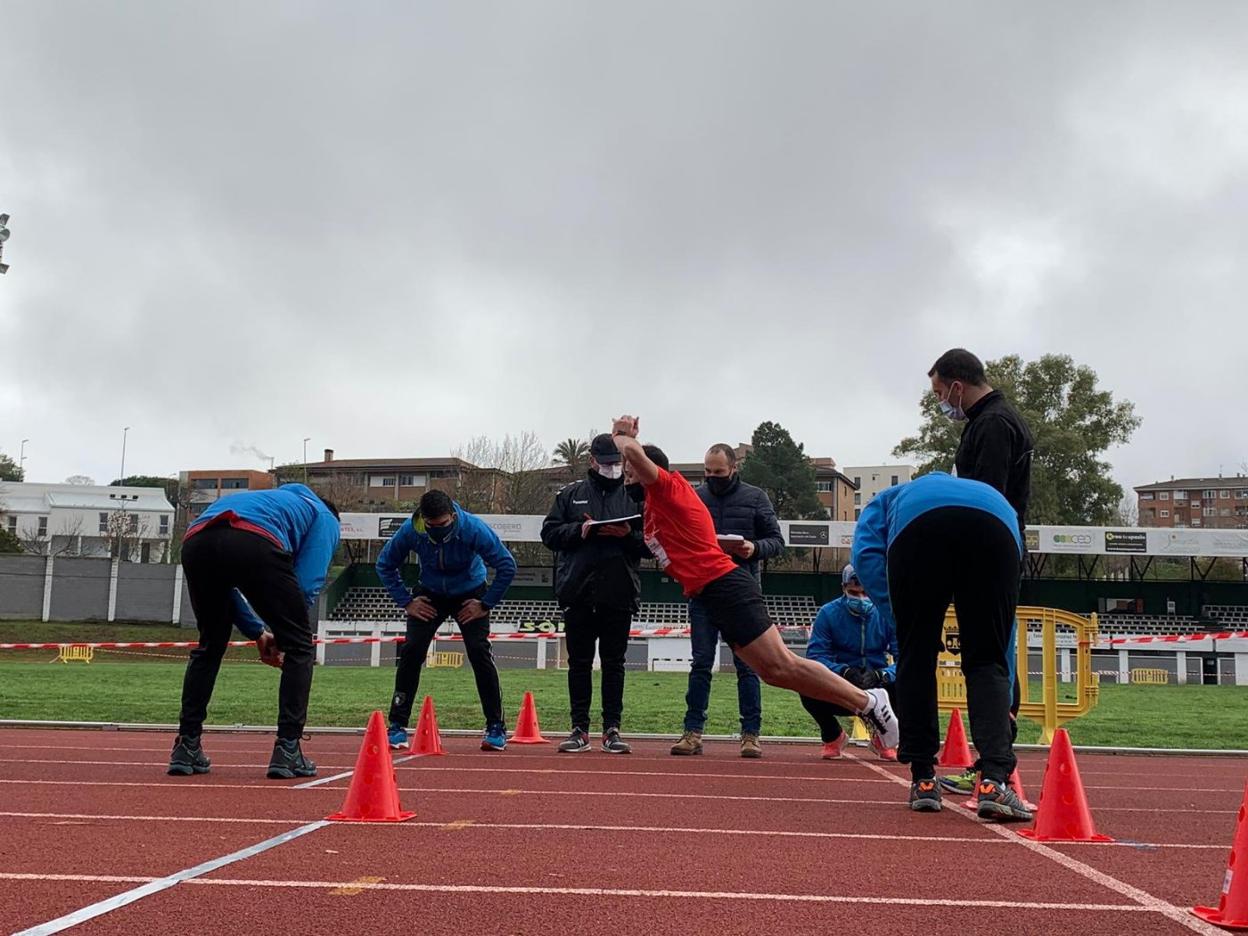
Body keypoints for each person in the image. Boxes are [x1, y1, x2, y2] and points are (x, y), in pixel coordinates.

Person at [610, 415, 898, 754]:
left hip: (727, 586)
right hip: (711, 595)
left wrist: (623, 436)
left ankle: (868, 702)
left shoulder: (669, 489)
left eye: (629, 473)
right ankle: (864, 706)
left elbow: (635, 455)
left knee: (784, 665)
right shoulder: (654, 509)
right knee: (774, 673)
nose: (625, 479)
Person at [851, 471, 1032, 820]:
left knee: (916, 660)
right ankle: (994, 780)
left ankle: (923, 779)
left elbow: (866, 555)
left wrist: (901, 620)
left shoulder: (891, 498)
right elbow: (1001, 642)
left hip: (919, 532)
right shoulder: (991, 495)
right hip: (995, 529)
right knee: (987, 661)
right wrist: (1007, 693)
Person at [168, 483, 340, 780]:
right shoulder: (325, 517)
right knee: (301, 647)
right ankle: (288, 749)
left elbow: (227, 590)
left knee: (210, 645)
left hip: (197, 541)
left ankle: (186, 745)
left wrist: (258, 633)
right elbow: (306, 582)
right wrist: (288, 633)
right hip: (254, 541)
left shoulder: (269, 500)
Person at [929, 348, 1034, 794]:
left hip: (988, 555)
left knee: (987, 661)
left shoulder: (992, 425)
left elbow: (985, 502)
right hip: (993, 552)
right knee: (988, 659)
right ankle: (993, 766)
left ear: (957, 385)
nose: (940, 402)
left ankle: (996, 771)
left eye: (939, 393)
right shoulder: (991, 421)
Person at [377, 490, 517, 752]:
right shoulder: (412, 529)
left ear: (452, 516)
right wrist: (406, 601)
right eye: (430, 526)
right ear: (422, 520)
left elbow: (507, 565)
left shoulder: (473, 529)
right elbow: (385, 564)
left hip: (470, 593)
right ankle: (396, 726)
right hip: (430, 594)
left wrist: (485, 604)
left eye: (441, 525)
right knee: (412, 651)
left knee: (479, 652)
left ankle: (496, 726)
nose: (435, 531)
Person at [672, 444, 785, 758]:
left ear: (734, 468)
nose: (711, 477)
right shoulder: (695, 496)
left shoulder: (755, 497)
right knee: (701, 664)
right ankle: (692, 732)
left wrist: (753, 547)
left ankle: (751, 735)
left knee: (748, 667)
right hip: (703, 592)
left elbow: (777, 542)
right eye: (707, 472)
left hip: (742, 594)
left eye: (718, 472)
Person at [541, 434, 651, 754]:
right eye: (607, 464)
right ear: (593, 461)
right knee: (579, 663)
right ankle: (579, 728)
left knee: (614, 664)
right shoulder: (570, 494)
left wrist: (628, 535)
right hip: (578, 590)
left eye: (618, 463)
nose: (613, 469)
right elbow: (549, 533)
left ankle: (612, 729)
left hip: (619, 591)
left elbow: (652, 544)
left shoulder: (636, 497)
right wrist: (580, 530)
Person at [801, 564, 898, 761]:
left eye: (865, 592)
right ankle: (833, 735)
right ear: (843, 588)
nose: (861, 598)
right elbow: (816, 656)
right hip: (840, 685)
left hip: (878, 685)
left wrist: (883, 674)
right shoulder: (828, 614)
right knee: (805, 682)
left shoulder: (887, 614)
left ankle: (883, 738)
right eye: (854, 592)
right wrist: (843, 671)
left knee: (909, 682)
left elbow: (905, 656)